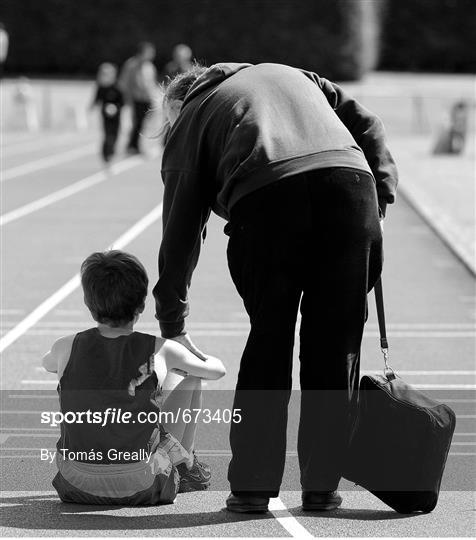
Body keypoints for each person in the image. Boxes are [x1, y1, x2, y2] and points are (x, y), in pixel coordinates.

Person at [153, 62, 398, 514]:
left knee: (269, 342)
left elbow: (182, 224)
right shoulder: (297, 75)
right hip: (351, 192)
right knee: (335, 348)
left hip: (269, 202)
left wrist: (172, 319)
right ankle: (322, 487)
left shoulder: (192, 113)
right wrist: (380, 195)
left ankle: (251, 486)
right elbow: (368, 124)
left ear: (180, 102)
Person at [42, 250, 226, 505]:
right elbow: (217, 371)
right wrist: (191, 354)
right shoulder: (160, 348)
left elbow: (47, 364)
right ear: (141, 305)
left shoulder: (66, 346)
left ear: (88, 302)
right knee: (191, 378)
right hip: (142, 483)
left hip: (75, 481)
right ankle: (187, 466)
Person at [119, 42, 158, 154]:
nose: (152, 54)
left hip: (147, 98)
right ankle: (133, 145)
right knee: (137, 121)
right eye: (150, 52)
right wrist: (127, 97)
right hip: (136, 98)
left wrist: (154, 96)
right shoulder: (131, 64)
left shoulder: (149, 66)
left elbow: (151, 83)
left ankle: (135, 144)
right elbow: (124, 82)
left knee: (143, 123)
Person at [90, 63, 124, 166]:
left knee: (116, 133)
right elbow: (96, 100)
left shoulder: (118, 87)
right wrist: (92, 106)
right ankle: (106, 153)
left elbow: (123, 102)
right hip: (105, 116)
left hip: (116, 116)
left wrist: (115, 108)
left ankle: (112, 151)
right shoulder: (101, 88)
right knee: (108, 134)